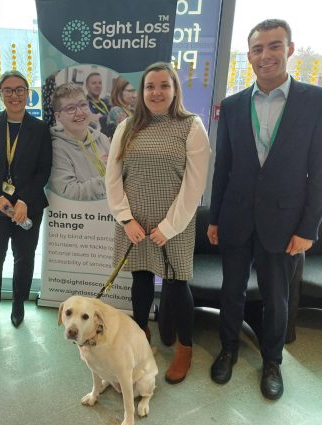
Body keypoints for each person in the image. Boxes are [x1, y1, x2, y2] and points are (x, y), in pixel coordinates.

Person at [207, 19, 322, 400]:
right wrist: (214, 218)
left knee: (277, 297)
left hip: (286, 222)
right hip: (236, 217)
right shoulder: (231, 106)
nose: (266, 55)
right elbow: (223, 166)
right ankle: (228, 348)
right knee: (232, 291)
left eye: (274, 46)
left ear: (290, 49)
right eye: (258, 49)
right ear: (249, 56)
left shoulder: (319, 101)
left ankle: (272, 361)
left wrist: (309, 228)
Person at [106, 62, 211, 384]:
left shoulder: (192, 126)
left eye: (164, 85)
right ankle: (141, 340)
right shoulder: (127, 127)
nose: (156, 92)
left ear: (175, 89)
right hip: (134, 222)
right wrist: (125, 219)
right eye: (150, 86)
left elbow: (195, 185)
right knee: (139, 280)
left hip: (174, 224)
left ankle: (184, 347)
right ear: (142, 92)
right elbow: (112, 177)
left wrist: (169, 227)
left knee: (178, 284)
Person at [0, 70, 52, 337]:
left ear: (28, 93)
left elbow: (44, 170)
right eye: (8, 90)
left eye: (20, 90)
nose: (14, 95)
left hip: (27, 207)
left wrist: (25, 202)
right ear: (0, 94)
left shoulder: (40, 129)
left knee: (24, 257)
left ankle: (18, 304)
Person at [49, 83, 110, 201]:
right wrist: (110, 181)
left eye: (83, 105)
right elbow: (68, 191)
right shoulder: (56, 149)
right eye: (71, 108)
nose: (80, 113)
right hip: (79, 217)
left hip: (109, 214)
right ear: (58, 116)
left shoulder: (102, 138)